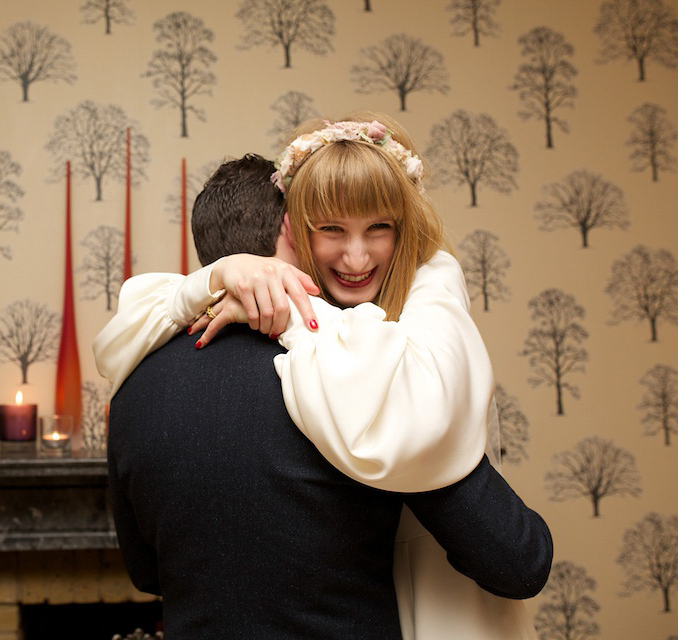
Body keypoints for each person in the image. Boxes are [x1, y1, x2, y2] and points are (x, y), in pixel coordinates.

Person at [105, 153, 552, 639]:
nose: (349, 257)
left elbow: (145, 573)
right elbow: (516, 559)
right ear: (293, 233)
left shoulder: (136, 379)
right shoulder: (352, 370)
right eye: (328, 229)